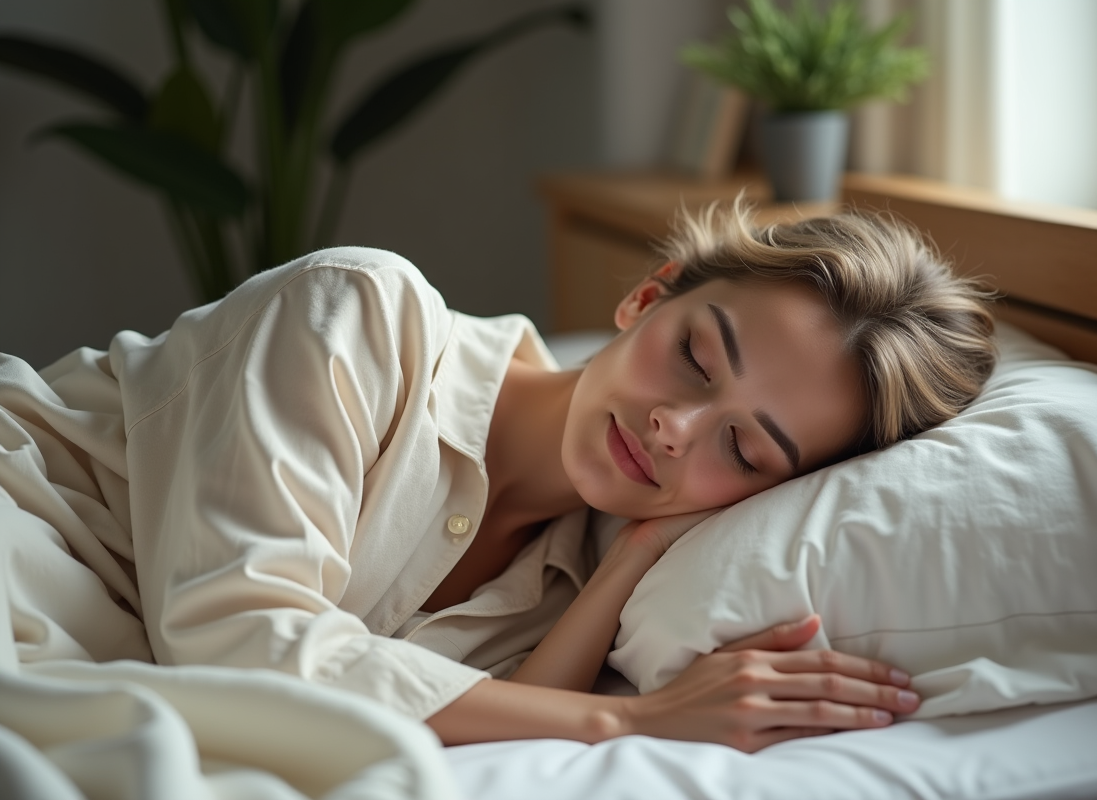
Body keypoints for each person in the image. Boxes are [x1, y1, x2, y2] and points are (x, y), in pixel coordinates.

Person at [0, 201, 994, 754]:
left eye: (746, 448)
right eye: (695, 354)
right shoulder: (355, 314)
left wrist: (624, 567)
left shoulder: (577, 568)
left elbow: (489, 713)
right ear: (645, 297)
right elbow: (235, 637)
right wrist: (631, 718)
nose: (678, 428)